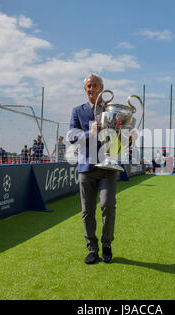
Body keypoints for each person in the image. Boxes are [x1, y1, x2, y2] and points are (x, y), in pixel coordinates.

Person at [68, 73, 118, 264]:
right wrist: (91, 132)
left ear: (102, 88)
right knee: (87, 211)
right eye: (89, 86)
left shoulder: (113, 110)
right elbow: (72, 136)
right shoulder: (77, 111)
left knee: (108, 206)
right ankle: (92, 248)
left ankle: (107, 245)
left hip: (108, 168)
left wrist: (130, 137)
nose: (91, 89)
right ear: (85, 89)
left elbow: (122, 135)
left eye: (95, 85)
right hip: (86, 167)